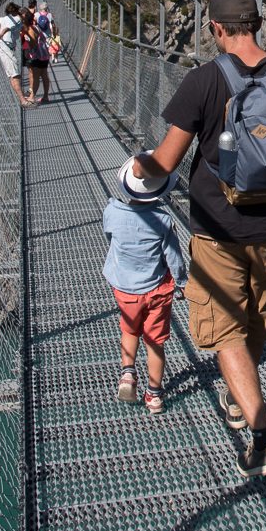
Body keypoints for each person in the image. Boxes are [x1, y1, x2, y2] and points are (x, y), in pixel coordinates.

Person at [130, 0, 266, 478]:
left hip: (217, 229)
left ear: (216, 29)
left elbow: (164, 165)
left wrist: (136, 168)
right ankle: (239, 401)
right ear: (258, 23)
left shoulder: (202, 81)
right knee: (258, 318)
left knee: (226, 333)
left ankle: (264, 440)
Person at [103, 156, 187, 414]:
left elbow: (109, 236)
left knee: (129, 331)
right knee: (155, 342)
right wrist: (182, 282)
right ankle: (154, 395)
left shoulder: (112, 211)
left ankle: (127, 374)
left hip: (125, 289)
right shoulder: (162, 221)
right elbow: (173, 256)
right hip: (157, 290)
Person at [0, 2, 32, 107]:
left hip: (6, 46)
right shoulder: (17, 20)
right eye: (26, 16)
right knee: (15, 74)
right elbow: (8, 28)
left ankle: (22, 98)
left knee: (14, 73)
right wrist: (0, 34)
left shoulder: (8, 18)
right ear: (23, 15)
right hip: (5, 47)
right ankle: (23, 100)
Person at [23, 3, 50, 104]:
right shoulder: (35, 27)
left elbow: (33, 44)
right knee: (44, 75)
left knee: (36, 76)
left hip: (38, 55)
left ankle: (32, 97)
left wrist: (27, 40)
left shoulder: (30, 29)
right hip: (44, 54)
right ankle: (46, 97)